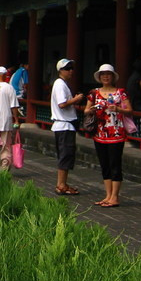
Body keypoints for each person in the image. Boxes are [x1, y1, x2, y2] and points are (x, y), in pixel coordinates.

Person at [84, 64, 132, 208]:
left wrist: (117, 109)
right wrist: (91, 110)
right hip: (99, 132)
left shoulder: (120, 93)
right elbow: (86, 110)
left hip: (116, 132)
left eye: (108, 74)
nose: (105, 77)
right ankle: (108, 195)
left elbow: (129, 110)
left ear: (113, 77)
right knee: (104, 164)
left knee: (115, 164)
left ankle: (115, 197)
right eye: (103, 74)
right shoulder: (94, 93)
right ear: (99, 77)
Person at [50, 58, 85, 195]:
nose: (71, 71)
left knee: (65, 155)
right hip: (64, 125)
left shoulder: (62, 84)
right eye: (67, 68)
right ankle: (61, 184)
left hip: (64, 125)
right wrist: (76, 99)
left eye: (72, 68)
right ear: (60, 70)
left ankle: (62, 183)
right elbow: (62, 104)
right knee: (65, 155)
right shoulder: (60, 84)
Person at [0, 66, 21, 171]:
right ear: (5, 75)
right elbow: (14, 106)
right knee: (6, 145)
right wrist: (16, 119)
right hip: (6, 119)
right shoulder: (9, 88)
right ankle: (4, 165)